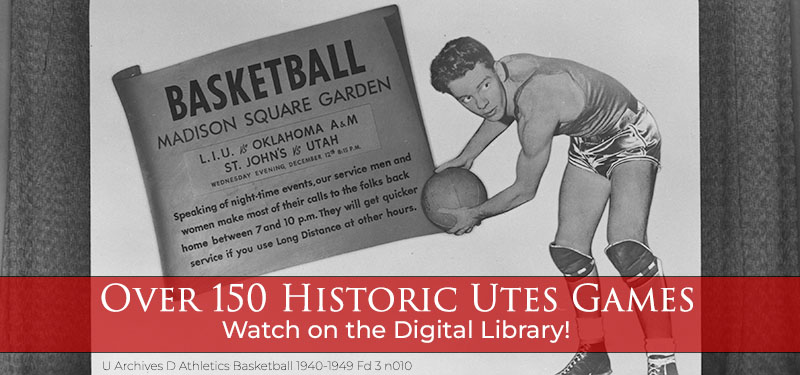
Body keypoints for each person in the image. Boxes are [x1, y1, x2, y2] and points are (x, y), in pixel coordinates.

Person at [429, 37, 678, 375]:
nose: (479, 101)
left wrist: (476, 213)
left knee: (626, 247)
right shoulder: (506, 76)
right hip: (589, 143)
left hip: (629, 133)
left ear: (496, 70)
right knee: (569, 251)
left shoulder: (539, 101)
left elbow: (524, 190)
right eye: (466, 98)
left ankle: (663, 362)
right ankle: (595, 356)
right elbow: (499, 110)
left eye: (483, 86)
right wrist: (467, 155)